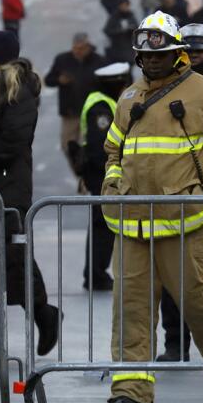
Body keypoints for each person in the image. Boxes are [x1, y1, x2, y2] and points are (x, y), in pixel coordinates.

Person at [97, 12, 203, 403]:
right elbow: (114, 152)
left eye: (160, 54)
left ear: (179, 55)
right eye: (145, 56)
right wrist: (113, 186)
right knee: (130, 309)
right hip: (131, 224)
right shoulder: (129, 98)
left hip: (184, 221)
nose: (151, 61)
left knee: (198, 304)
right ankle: (132, 392)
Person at [0, 30, 59, 355]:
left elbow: (13, 141)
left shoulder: (16, 90)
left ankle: (44, 314)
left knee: (13, 255)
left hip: (7, 189)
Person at [156, 22, 203, 359]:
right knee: (173, 284)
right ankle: (174, 345)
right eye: (187, 52)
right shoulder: (163, 88)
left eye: (199, 52)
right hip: (175, 202)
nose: (193, 58)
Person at [76, 62, 134, 291]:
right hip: (101, 173)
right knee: (102, 227)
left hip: (102, 173)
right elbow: (100, 148)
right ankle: (95, 274)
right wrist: (112, 174)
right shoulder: (100, 106)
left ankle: (96, 272)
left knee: (104, 226)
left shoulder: (104, 101)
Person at [45, 33, 105, 171]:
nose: (77, 52)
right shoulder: (62, 60)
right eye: (75, 48)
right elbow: (49, 80)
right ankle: (80, 172)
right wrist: (59, 80)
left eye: (81, 48)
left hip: (92, 112)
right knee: (67, 145)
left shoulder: (99, 61)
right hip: (70, 112)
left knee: (92, 145)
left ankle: (90, 173)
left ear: (88, 46)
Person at [103, 0, 139, 65]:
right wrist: (120, 30)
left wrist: (132, 29)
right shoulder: (114, 17)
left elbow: (137, 30)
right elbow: (107, 31)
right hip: (117, 49)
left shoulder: (131, 16)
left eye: (126, 5)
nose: (125, 7)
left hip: (129, 49)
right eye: (123, 5)